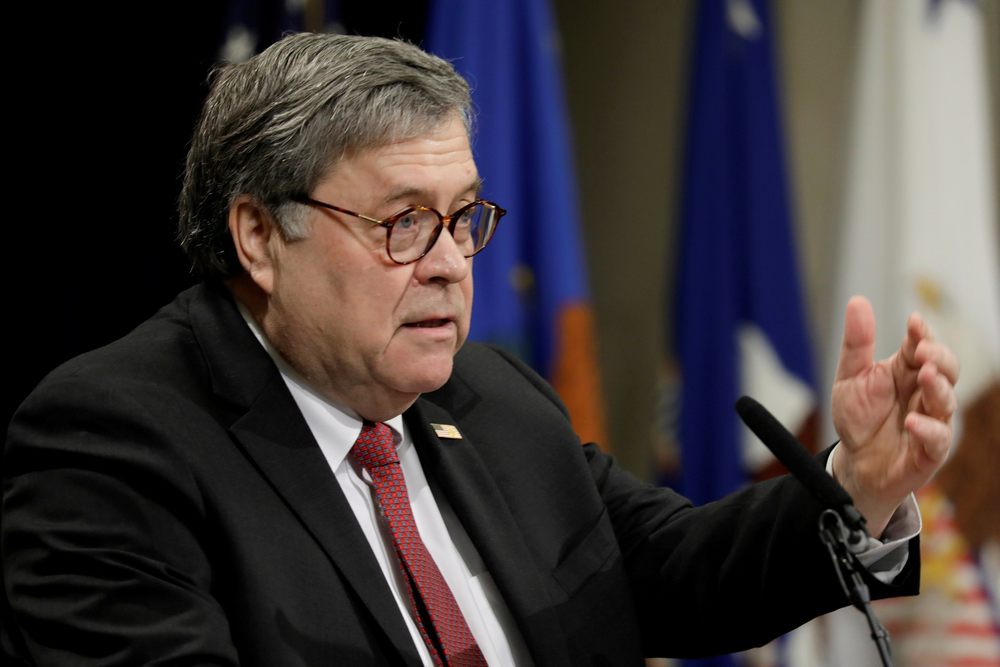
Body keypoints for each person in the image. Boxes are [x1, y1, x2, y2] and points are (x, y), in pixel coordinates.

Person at [3, 32, 958, 666]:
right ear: (259, 235)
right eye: (404, 222)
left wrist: (858, 482)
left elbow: (674, 570)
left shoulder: (490, 394)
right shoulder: (117, 442)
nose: (452, 263)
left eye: (462, 217)